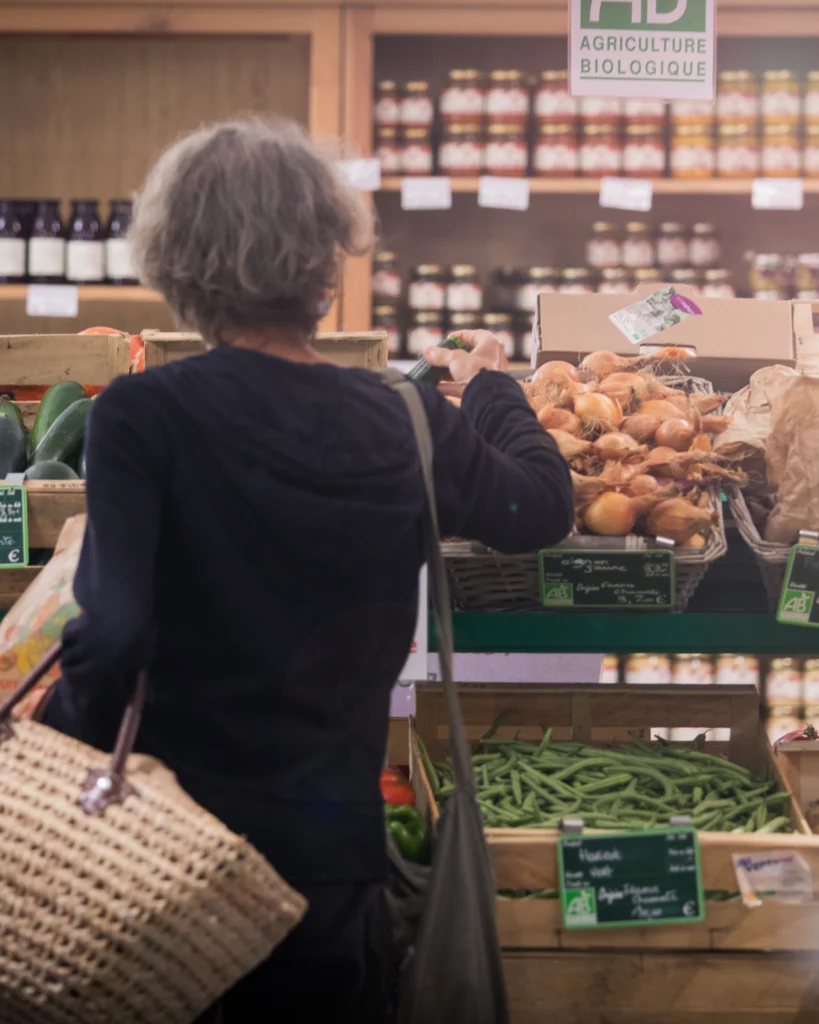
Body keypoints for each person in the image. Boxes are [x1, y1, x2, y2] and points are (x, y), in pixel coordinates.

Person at [44, 118, 574, 1022]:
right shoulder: (406, 417)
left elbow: (116, 634)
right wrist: (490, 387)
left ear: (177, 259)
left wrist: (59, 747)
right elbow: (540, 509)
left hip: (167, 860)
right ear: (326, 258)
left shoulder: (142, 414)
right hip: (332, 860)